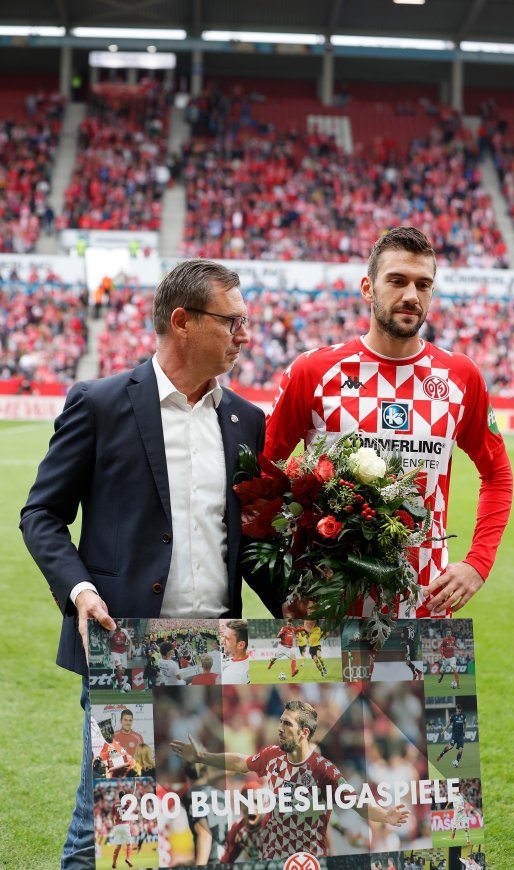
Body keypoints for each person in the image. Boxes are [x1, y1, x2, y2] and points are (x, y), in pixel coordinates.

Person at [20, 258, 278, 869]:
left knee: (203, 834)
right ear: (182, 322)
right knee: (105, 831)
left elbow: (251, 541)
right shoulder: (102, 404)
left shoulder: (247, 420)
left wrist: (303, 604)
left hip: (219, 653)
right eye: (232, 321)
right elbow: (41, 515)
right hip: (125, 648)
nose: (246, 335)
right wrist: (80, 590)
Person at [264, 227, 513, 618]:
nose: (411, 296)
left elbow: (497, 474)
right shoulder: (314, 370)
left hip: (426, 603)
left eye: (423, 284)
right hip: (325, 604)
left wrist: (478, 563)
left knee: (422, 684)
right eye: (397, 281)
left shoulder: (460, 376)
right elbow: (263, 480)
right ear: (368, 288)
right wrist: (279, 584)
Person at [170, 699, 409, 859]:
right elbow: (239, 763)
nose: (279, 727)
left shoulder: (323, 770)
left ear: (304, 732)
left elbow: (358, 804)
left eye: (287, 723)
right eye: (280, 721)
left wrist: (385, 815)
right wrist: (202, 756)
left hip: (308, 860)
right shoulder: (272, 756)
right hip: (273, 858)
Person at [436, 703, 467, 769]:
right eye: (457, 710)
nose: (458, 712)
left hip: (460, 736)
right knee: (450, 747)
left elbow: (465, 723)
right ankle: (441, 755)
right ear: (456, 709)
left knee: (461, 750)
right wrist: (443, 731)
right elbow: (448, 724)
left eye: (459, 711)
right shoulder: (453, 716)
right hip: (454, 735)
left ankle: (456, 763)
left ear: (460, 710)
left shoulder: (463, 715)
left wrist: (464, 731)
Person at [221, 619, 250, 684]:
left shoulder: (231, 675)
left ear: (241, 645)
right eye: (223, 637)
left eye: (227, 638)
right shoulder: (249, 660)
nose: (222, 641)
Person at [110, 790, 134, 868]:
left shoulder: (115, 804)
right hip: (125, 825)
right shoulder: (127, 803)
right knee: (129, 844)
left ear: (119, 796)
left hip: (117, 826)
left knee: (118, 846)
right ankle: (128, 858)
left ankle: (114, 863)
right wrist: (134, 783)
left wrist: (114, 824)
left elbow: (111, 817)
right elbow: (133, 794)